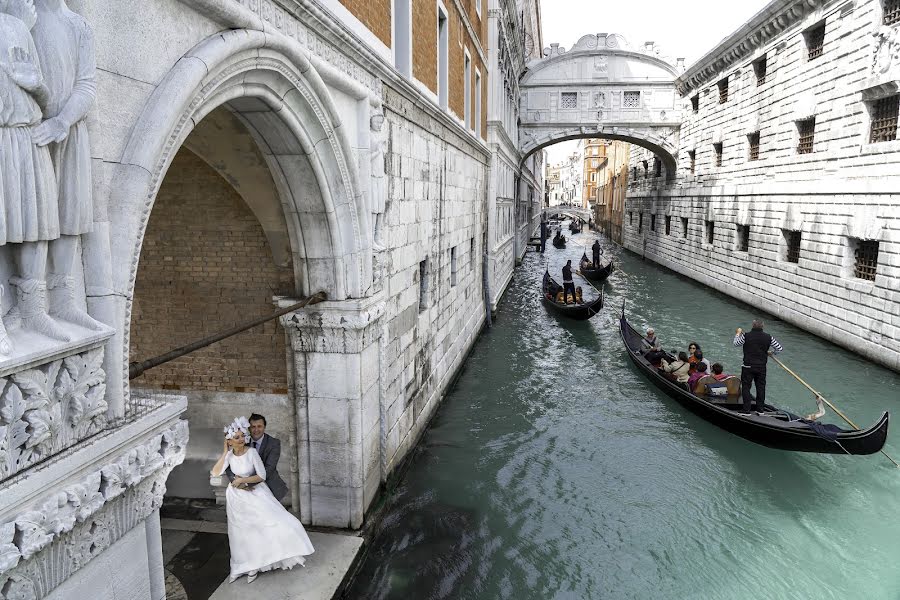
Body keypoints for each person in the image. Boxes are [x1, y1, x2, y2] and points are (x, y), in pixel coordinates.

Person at [212, 417, 315, 584]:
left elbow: (262, 475)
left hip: (255, 493)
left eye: (242, 436)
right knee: (238, 533)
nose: (242, 438)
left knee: (263, 528)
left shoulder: (252, 452)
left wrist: (242, 481)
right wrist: (224, 452)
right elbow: (216, 472)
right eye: (237, 437)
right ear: (229, 441)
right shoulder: (229, 456)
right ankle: (239, 567)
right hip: (235, 498)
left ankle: (255, 565)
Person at [225, 413, 288, 502]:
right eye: (253, 427)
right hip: (241, 488)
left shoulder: (274, 443)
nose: (256, 430)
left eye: (259, 426)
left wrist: (246, 483)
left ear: (264, 427)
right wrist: (235, 480)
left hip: (268, 485)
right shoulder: (241, 440)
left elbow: (269, 468)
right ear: (248, 428)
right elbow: (228, 464)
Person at [734, 319, 784, 413]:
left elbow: (736, 344)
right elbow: (779, 348)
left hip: (748, 366)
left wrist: (738, 334)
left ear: (752, 326)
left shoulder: (746, 336)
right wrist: (772, 353)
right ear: (763, 326)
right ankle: (760, 410)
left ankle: (746, 410)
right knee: (761, 388)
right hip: (761, 367)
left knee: (746, 387)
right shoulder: (769, 337)